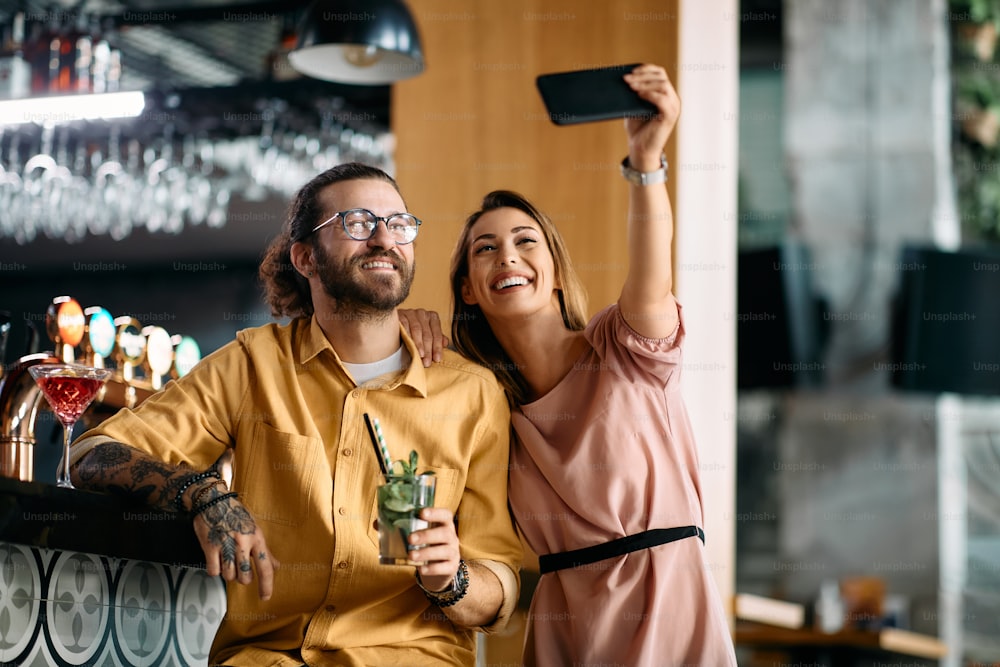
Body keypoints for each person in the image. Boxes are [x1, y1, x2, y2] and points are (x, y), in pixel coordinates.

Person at [68, 162, 523, 667]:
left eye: (398, 224)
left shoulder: (472, 395)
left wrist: (452, 577)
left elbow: (502, 585)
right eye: (356, 223)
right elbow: (91, 454)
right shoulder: (252, 365)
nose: (382, 239)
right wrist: (201, 492)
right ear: (305, 257)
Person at [441, 64, 737, 665]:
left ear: (553, 267)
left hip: (668, 609)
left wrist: (645, 161)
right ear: (469, 288)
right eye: (485, 248)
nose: (508, 256)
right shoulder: (484, 403)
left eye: (526, 240)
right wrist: (405, 325)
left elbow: (652, 266)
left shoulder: (623, 346)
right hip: (563, 628)